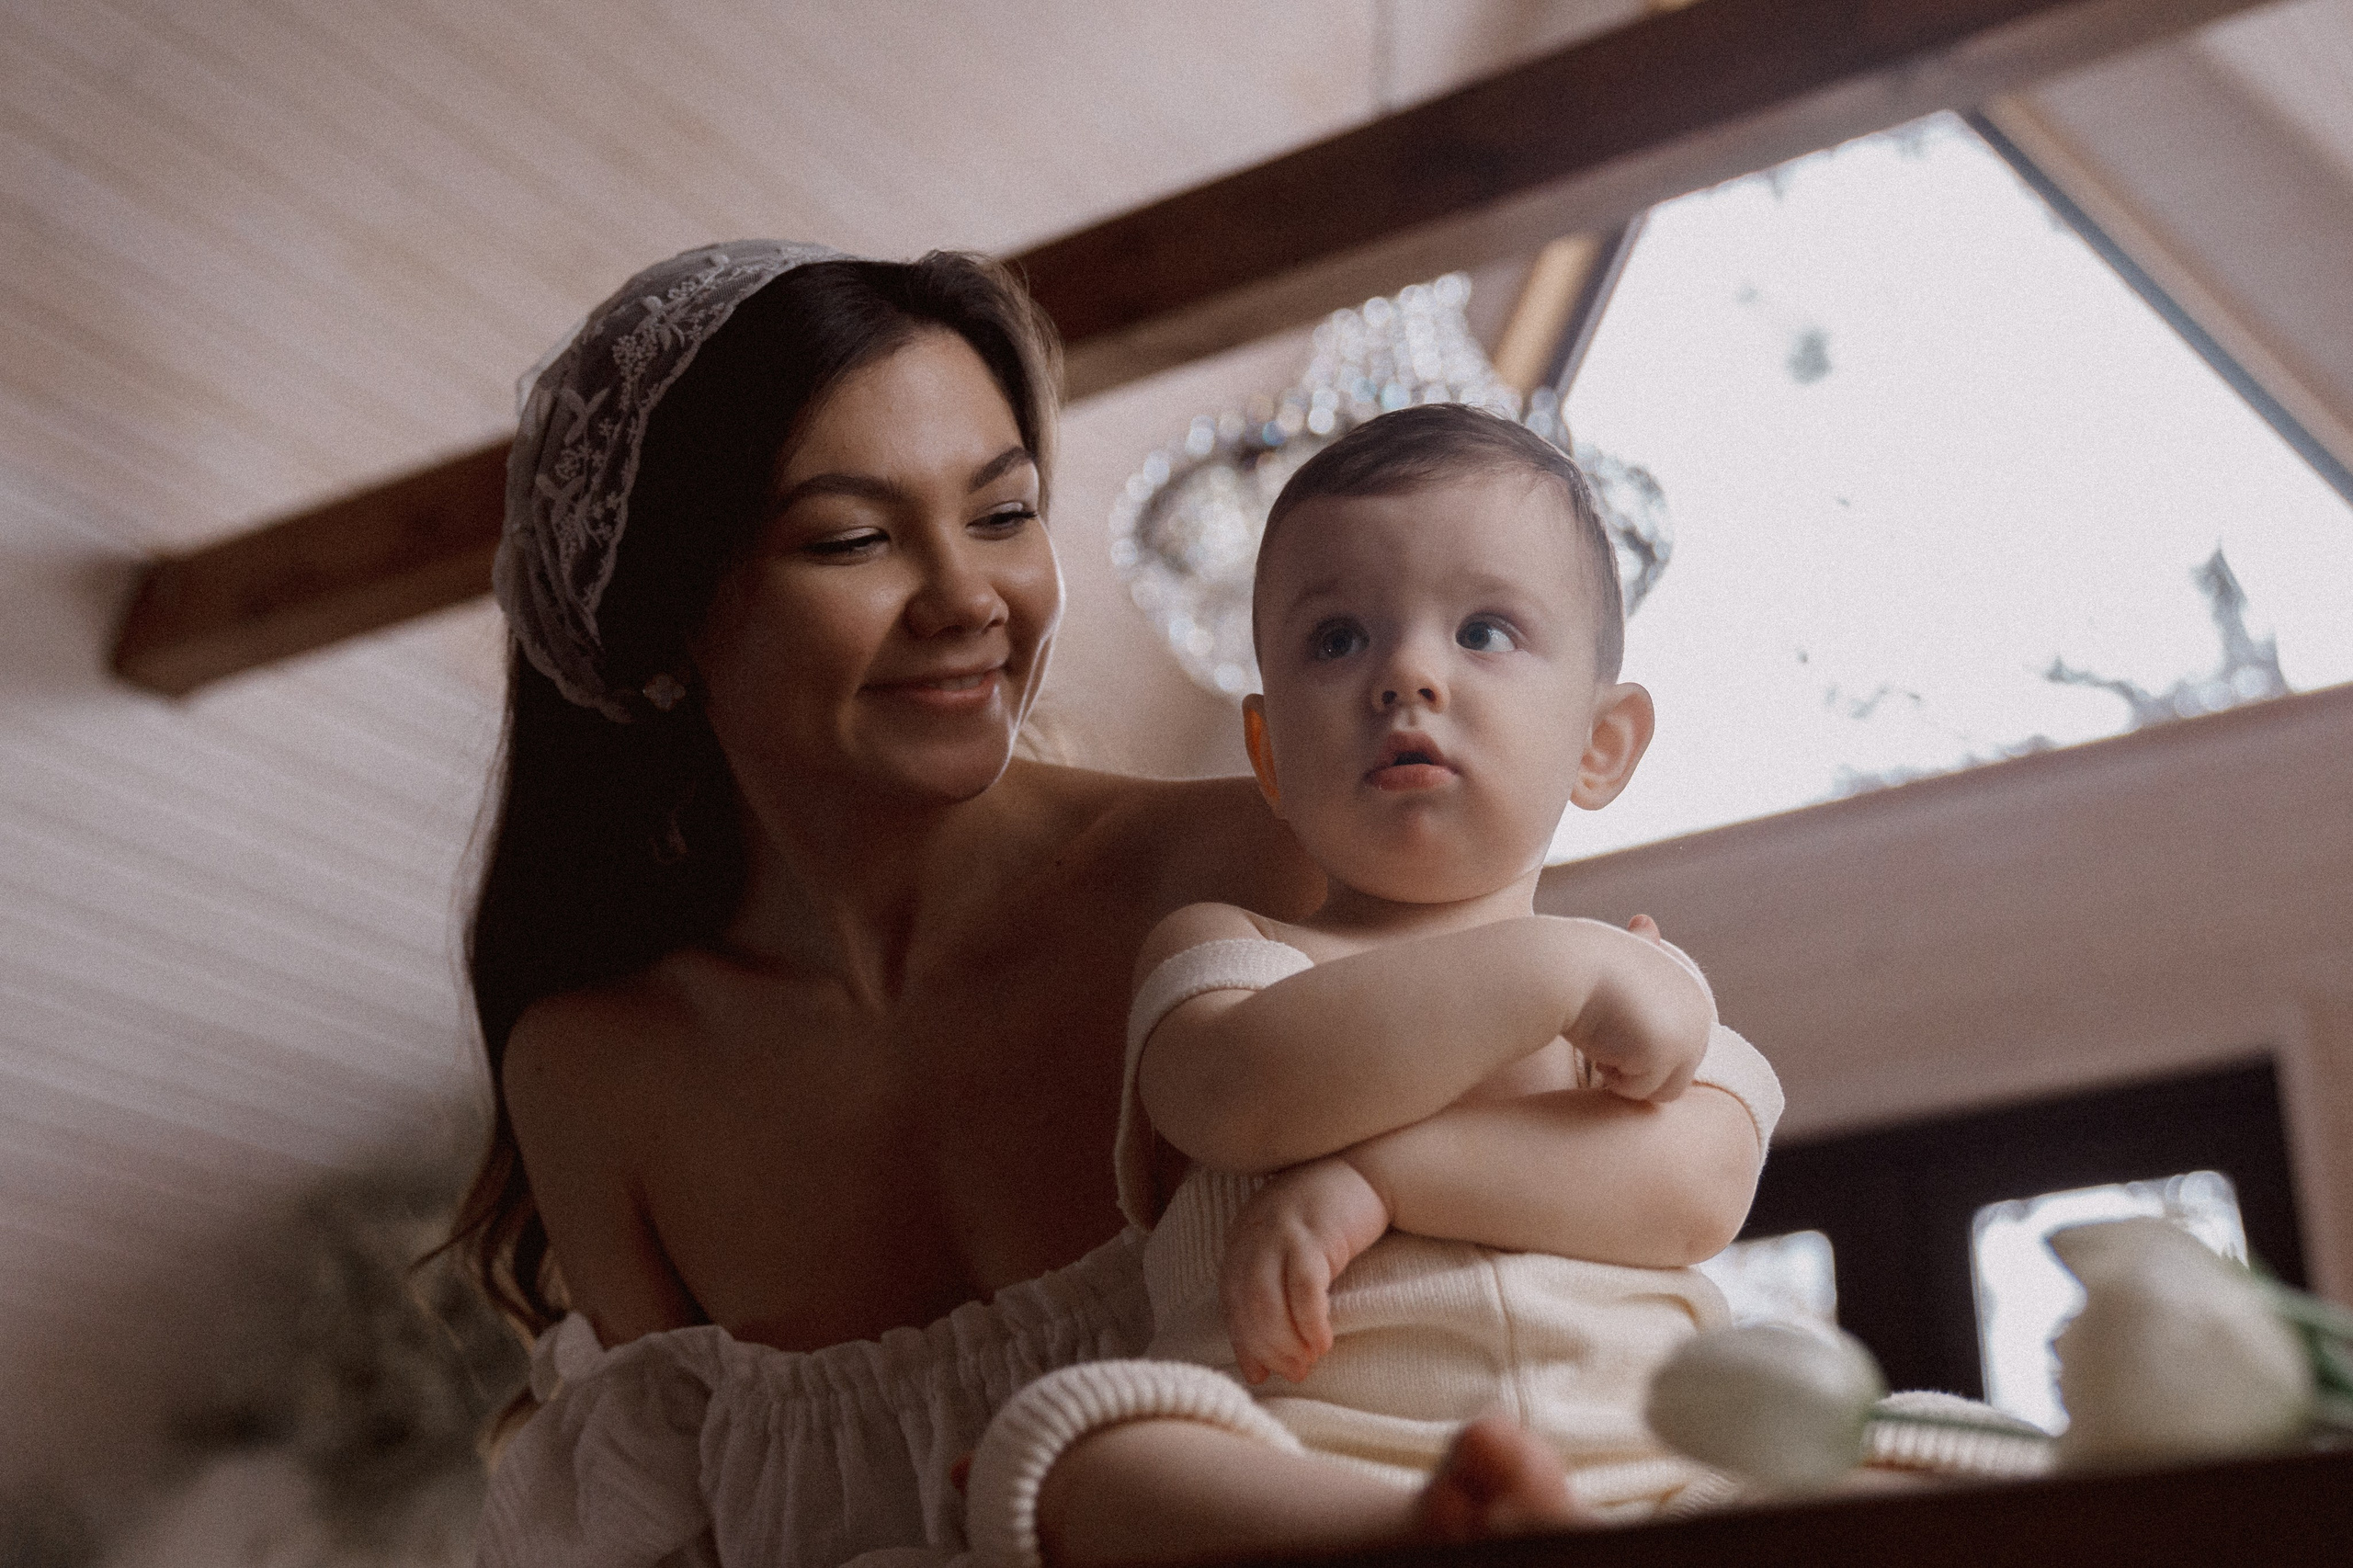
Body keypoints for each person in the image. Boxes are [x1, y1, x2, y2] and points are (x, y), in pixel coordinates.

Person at [460, 244, 1672, 1567]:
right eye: (854, 538)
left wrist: (1371, 1180)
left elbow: (1623, 1177)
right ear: (670, 615)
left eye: (1002, 513)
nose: (971, 598)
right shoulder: (595, 1076)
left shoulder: (1258, 868)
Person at [960, 405, 1786, 1567]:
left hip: (1649, 1466)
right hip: (1302, 1461)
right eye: (1337, 639)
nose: (1405, 671)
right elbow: (1239, 1101)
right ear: (1267, 754)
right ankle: (1431, 1530)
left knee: (1924, 1440)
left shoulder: (1645, 982)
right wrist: (1554, 967)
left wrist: (1372, 1182)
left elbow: (1696, 1189)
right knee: (1078, 1451)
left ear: (1601, 743)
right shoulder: (1229, 952)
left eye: (1485, 630)